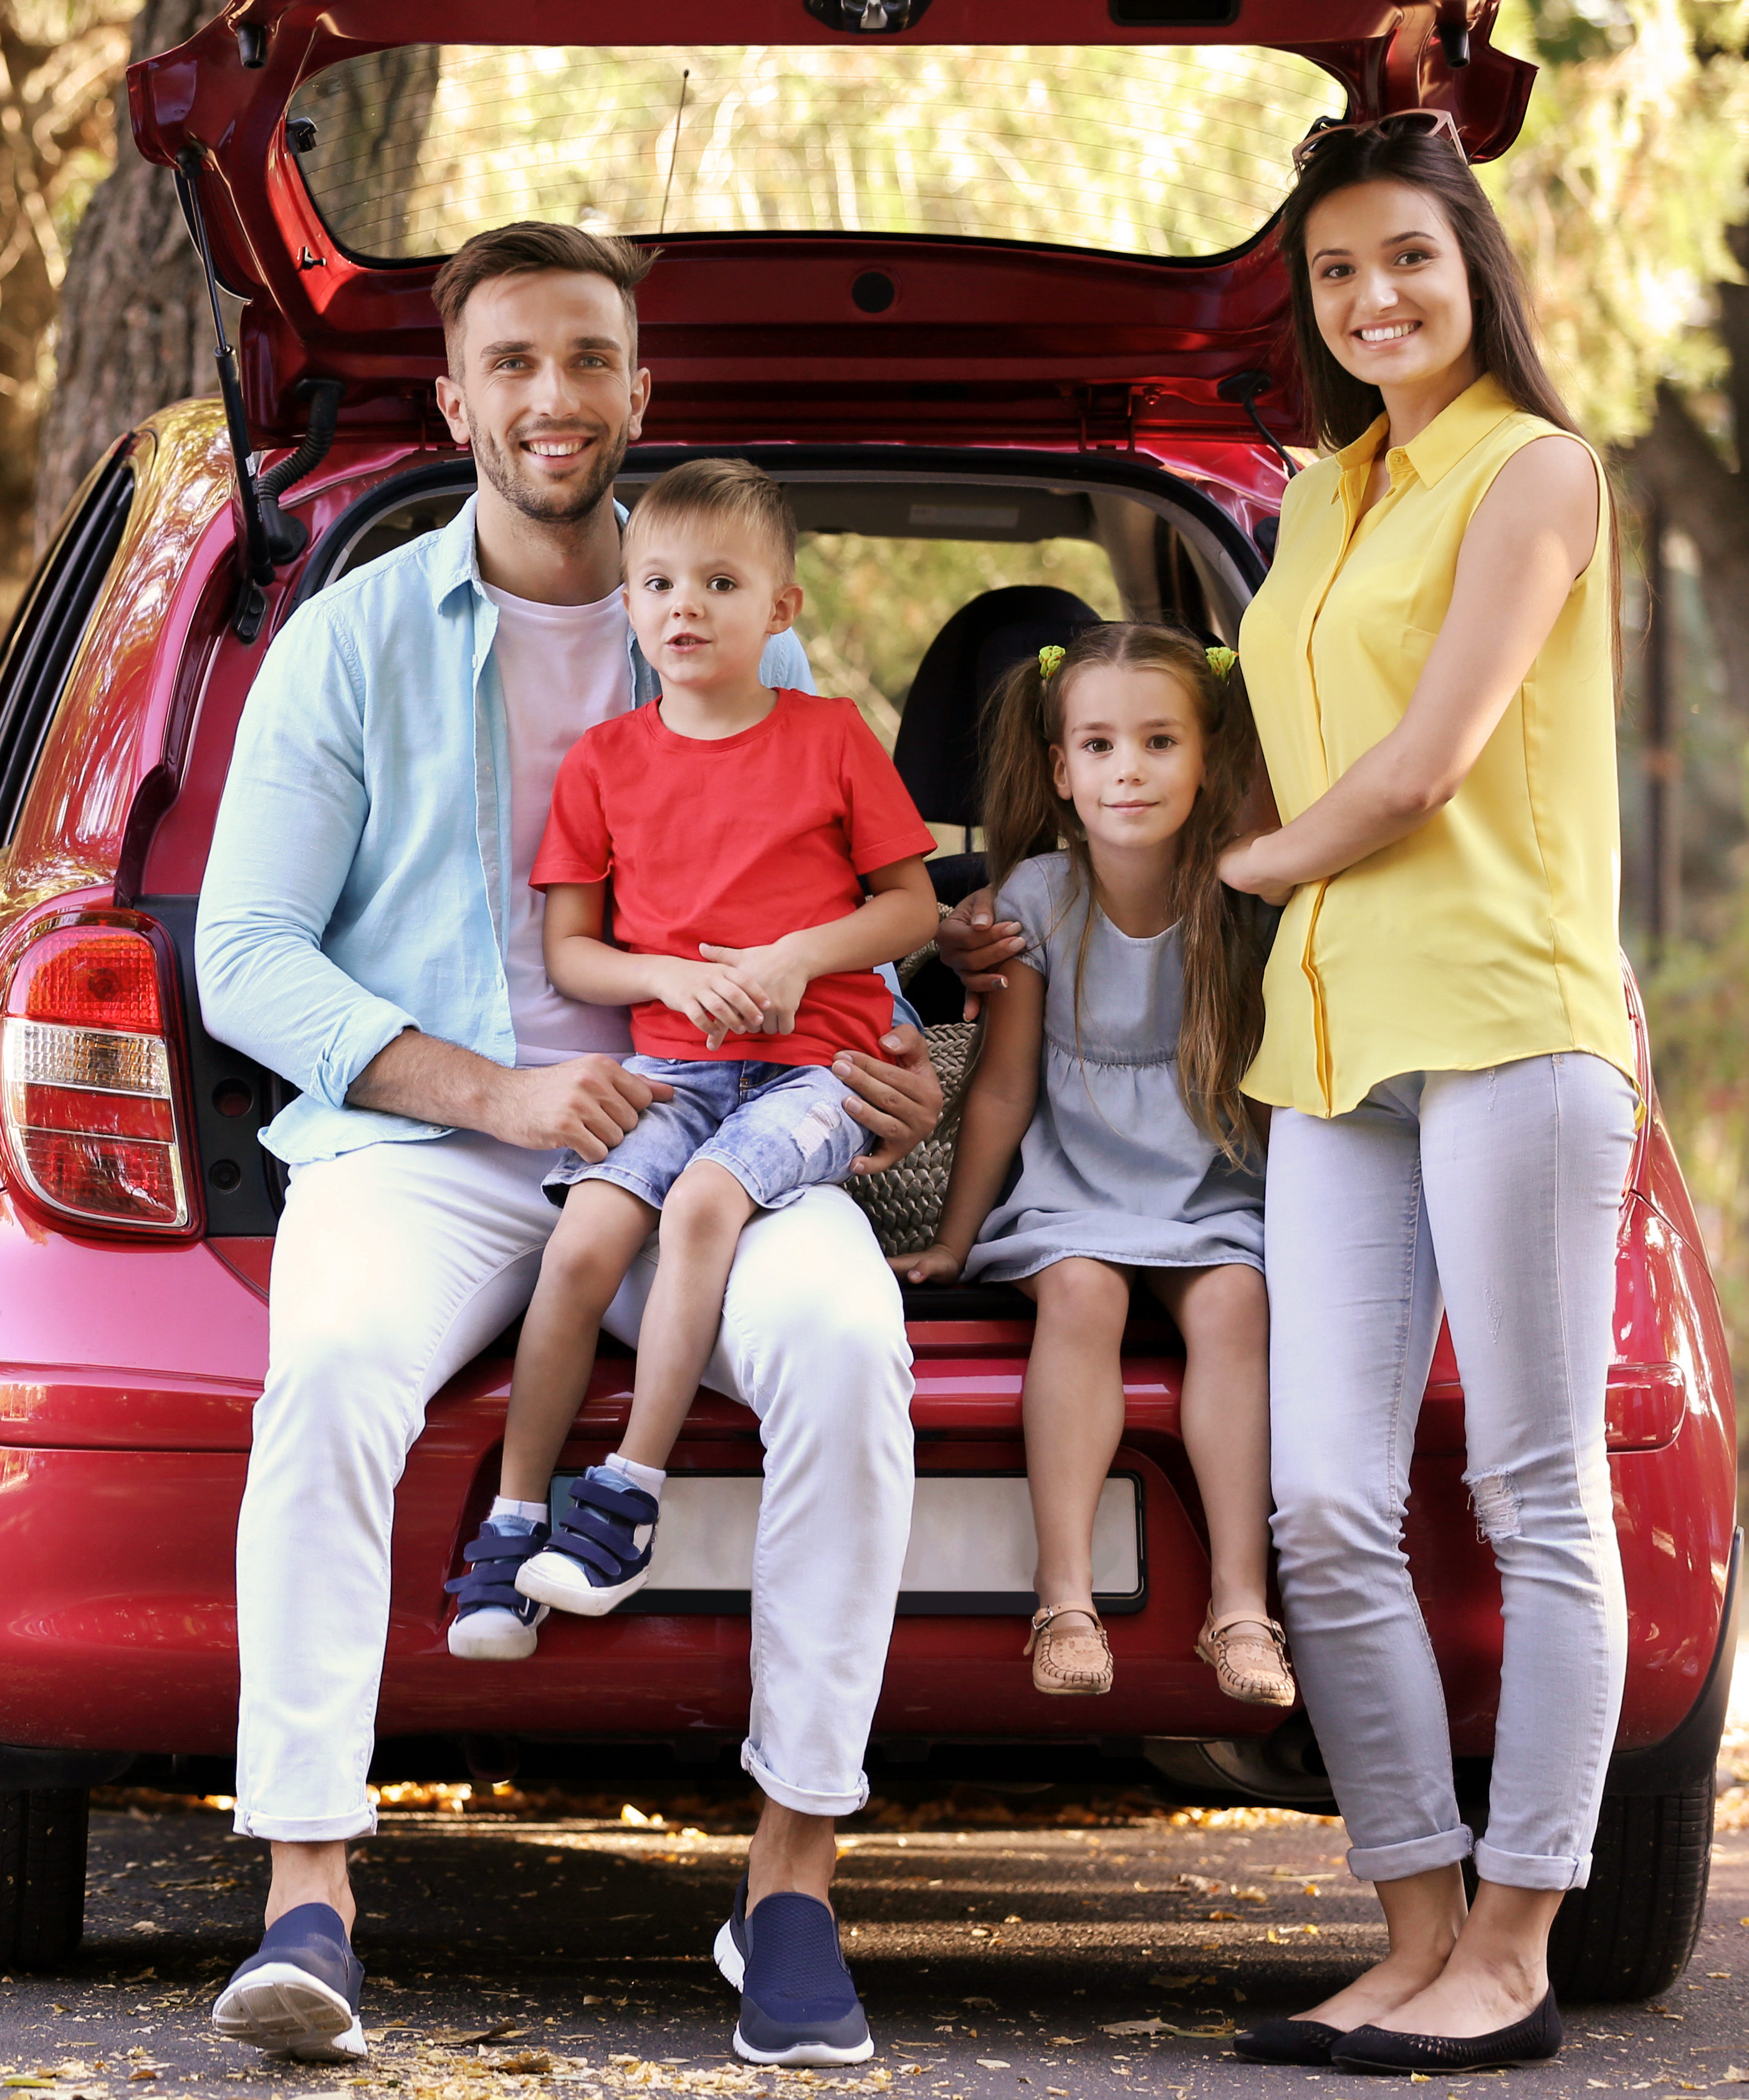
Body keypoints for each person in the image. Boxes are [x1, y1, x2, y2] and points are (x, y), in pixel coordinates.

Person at [194, 224, 944, 2069]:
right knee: (331, 1370)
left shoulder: (727, 617)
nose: (555, 395)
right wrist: (492, 1090)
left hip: (721, 1121)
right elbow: (245, 956)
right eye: (514, 362)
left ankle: (788, 1888)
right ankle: (308, 1895)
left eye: (589, 358)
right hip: (433, 1142)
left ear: (638, 391)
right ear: (454, 401)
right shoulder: (350, 640)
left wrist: (889, 1066)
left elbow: (827, 903)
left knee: (848, 1346)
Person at [1212, 113, 1639, 2075]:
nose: (1372, 296)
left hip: (1503, 1023)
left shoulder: (1535, 470)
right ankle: (1412, 1934)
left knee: (1536, 1487)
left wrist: (1235, 871)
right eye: (1335, 271)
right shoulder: (1320, 499)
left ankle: (1518, 1938)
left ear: (1474, 270)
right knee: (1320, 1502)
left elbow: (1420, 767)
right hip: (1330, 1043)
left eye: (1406, 258)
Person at [444, 459, 937, 1639]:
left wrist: (798, 955)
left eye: (721, 583)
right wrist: (665, 975)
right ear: (627, 604)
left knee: (706, 1202)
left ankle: (627, 1495)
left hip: (815, 1071)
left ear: (780, 609)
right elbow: (572, 951)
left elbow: (911, 908)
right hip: (672, 1067)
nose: (686, 607)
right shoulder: (604, 762)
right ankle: (514, 1520)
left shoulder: (830, 737)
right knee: (581, 1244)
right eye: (659, 583)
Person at [892, 624, 1290, 1709]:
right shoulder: (1033, 898)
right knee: (1080, 1292)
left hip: (1207, 1190)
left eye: (1160, 742)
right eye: (1100, 745)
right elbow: (1003, 1089)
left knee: (1236, 1302)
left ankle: (1240, 1605)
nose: (1129, 770)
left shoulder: (1241, 898)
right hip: (1071, 1192)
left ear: (1207, 758)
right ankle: (1064, 1599)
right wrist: (954, 1241)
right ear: (1061, 770)